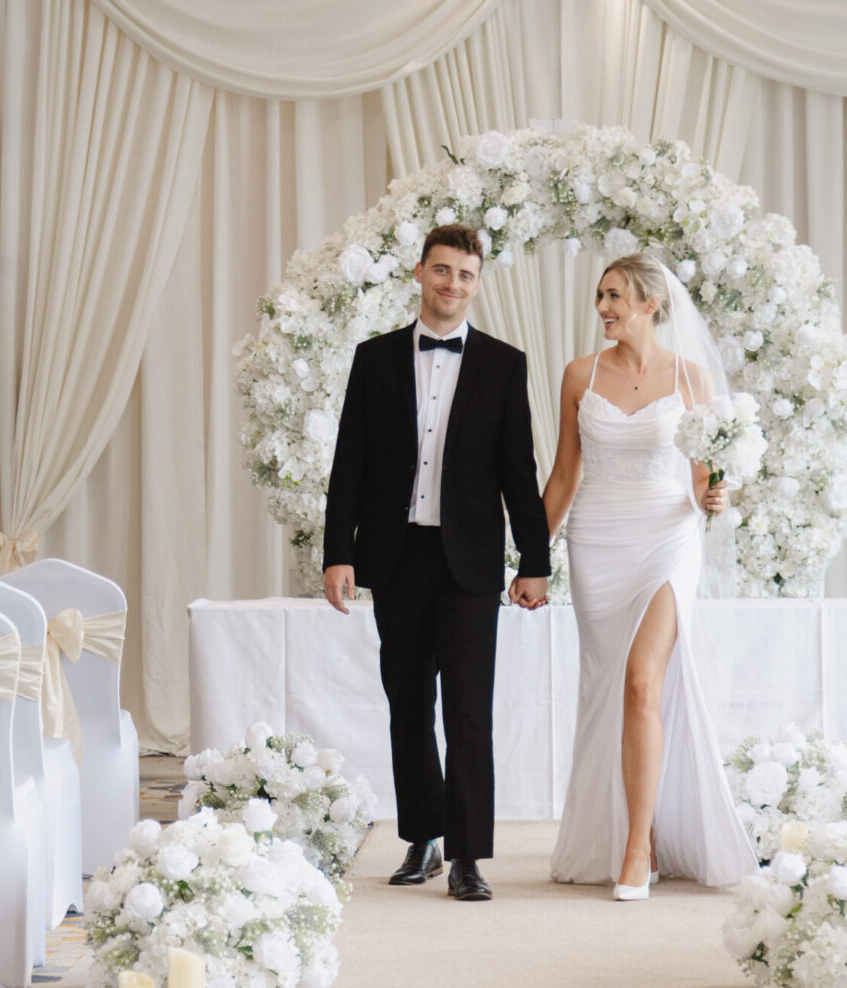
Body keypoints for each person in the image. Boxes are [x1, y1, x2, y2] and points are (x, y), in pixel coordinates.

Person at [321, 224, 551, 902]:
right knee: (409, 704)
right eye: (443, 271)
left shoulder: (505, 365)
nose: (454, 284)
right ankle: (421, 838)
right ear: (420, 273)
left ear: (478, 283)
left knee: (469, 710)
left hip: (471, 563)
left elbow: (520, 470)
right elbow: (350, 465)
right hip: (395, 558)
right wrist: (340, 553)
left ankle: (469, 854)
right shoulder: (375, 358)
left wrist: (533, 560)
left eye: (466, 275)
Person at [542, 252, 756, 900]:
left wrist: (717, 495)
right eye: (601, 297)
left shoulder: (691, 378)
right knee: (609, 690)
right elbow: (563, 475)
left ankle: (640, 845)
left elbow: (703, 477)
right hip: (596, 542)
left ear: (650, 304)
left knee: (643, 686)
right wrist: (527, 557)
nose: (603, 308)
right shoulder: (580, 375)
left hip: (668, 537)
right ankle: (634, 831)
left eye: (615, 296)